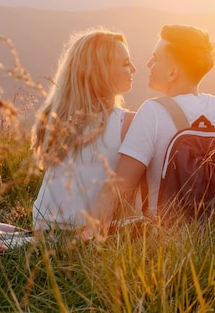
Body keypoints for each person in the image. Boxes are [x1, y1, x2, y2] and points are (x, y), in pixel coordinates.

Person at [86, 24, 215, 239]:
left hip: (166, 247)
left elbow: (119, 189)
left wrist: (88, 236)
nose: (148, 64)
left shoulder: (152, 112)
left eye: (155, 58)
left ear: (172, 72)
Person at [31, 27, 138, 233]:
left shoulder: (56, 119)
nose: (133, 68)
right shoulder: (127, 123)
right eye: (125, 63)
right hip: (82, 232)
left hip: (41, 225)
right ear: (101, 72)